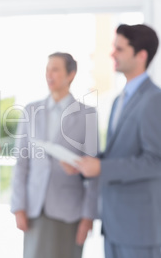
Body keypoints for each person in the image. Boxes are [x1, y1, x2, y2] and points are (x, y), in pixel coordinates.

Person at [62, 24, 161, 258]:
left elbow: (156, 161)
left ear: (141, 55)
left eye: (119, 49)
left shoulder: (154, 100)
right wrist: (85, 165)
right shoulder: (120, 100)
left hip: (140, 229)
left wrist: (102, 167)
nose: (112, 54)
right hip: (115, 225)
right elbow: (120, 154)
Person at [11, 52, 99, 258]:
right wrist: (18, 206)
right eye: (47, 69)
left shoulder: (88, 115)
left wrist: (88, 216)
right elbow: (21, 163)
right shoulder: (31, 110)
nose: (49, 75)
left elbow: (94, 172)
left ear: (71, 75)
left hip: (70, 210)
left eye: (56, 69)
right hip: (34, 208)